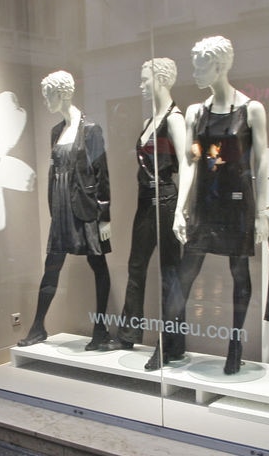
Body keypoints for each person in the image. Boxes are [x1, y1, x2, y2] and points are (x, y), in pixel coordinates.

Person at [173, 36, 269, 375]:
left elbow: (261, 163)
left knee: (239, 272)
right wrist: (179, 208)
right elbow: (189, 163)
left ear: (220, 65)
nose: (195, 72)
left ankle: (235, 345)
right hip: (205, 203)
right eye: (195, 64)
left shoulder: (251, 109)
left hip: (238, 203)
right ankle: (165, 341)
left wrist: (261, 213)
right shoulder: (195, 112)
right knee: (186, 272)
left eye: (201, 65)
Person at [101, 58, 191, 373]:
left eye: (144, 79)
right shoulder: (152, 119)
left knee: (170, 274)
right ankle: (128, 334)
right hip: (146, 200)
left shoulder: (174, 119)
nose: (140, 85)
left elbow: (187, 164)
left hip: (165, 200)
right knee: (136, 266)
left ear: (161, 79)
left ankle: (171, 345)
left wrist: (180, 209)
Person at [17, 70, 112, 351]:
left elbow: (102, 174)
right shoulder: (56, 132)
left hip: (86, 209)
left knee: (98, 264)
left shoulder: (91, 129)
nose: (45, 100)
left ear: (62, 93)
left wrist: (105, 216)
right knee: (52, 265)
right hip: (61, 210)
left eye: (48, 95)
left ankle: (100, 328)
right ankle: (38, 326)